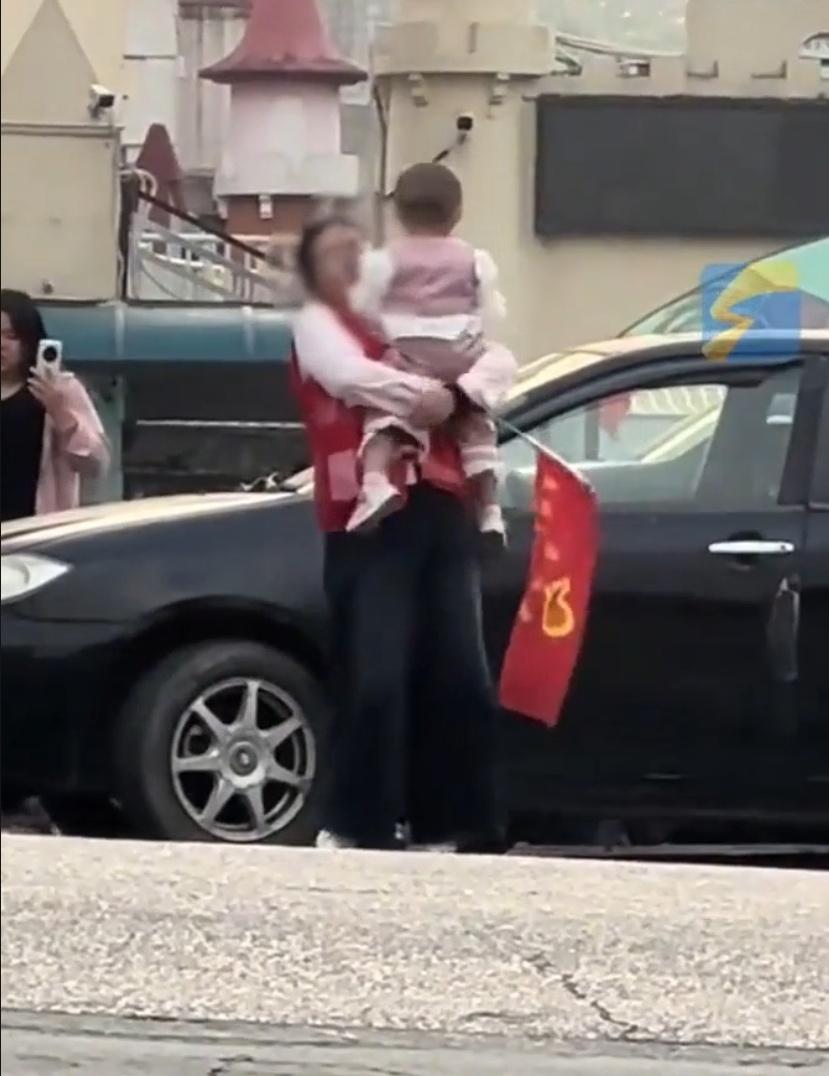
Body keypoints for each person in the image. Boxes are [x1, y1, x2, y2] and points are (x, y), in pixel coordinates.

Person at [291, 212, 516, 852]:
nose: (351, 265)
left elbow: (498, 358)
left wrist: (461, 392)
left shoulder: (409, 318)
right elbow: (347, 376)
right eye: (335, 256)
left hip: (444, 506)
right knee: (377, 673)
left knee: (459, 671)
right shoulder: (318, 323)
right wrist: (428, 394)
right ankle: (361, 821)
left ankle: (457, 821)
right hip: (367, 517)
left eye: (357, 252)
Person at [349, 163, 512, 547]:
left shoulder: (384, 259)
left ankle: (375, 481)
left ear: (398, 213)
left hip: (408, 350)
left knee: (386, 414)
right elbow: (492, 309)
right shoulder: (475, 258)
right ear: (458, 212)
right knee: (478, 421)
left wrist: (391, 332)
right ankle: (490, 508)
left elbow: (364, 307)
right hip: (459, 350)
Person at [1, 289, 109, 522]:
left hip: (35, 528)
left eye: (11, 336)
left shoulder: (61, 389)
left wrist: (62, 414)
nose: (2, 345)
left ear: (29, 340)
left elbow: (96, 464)